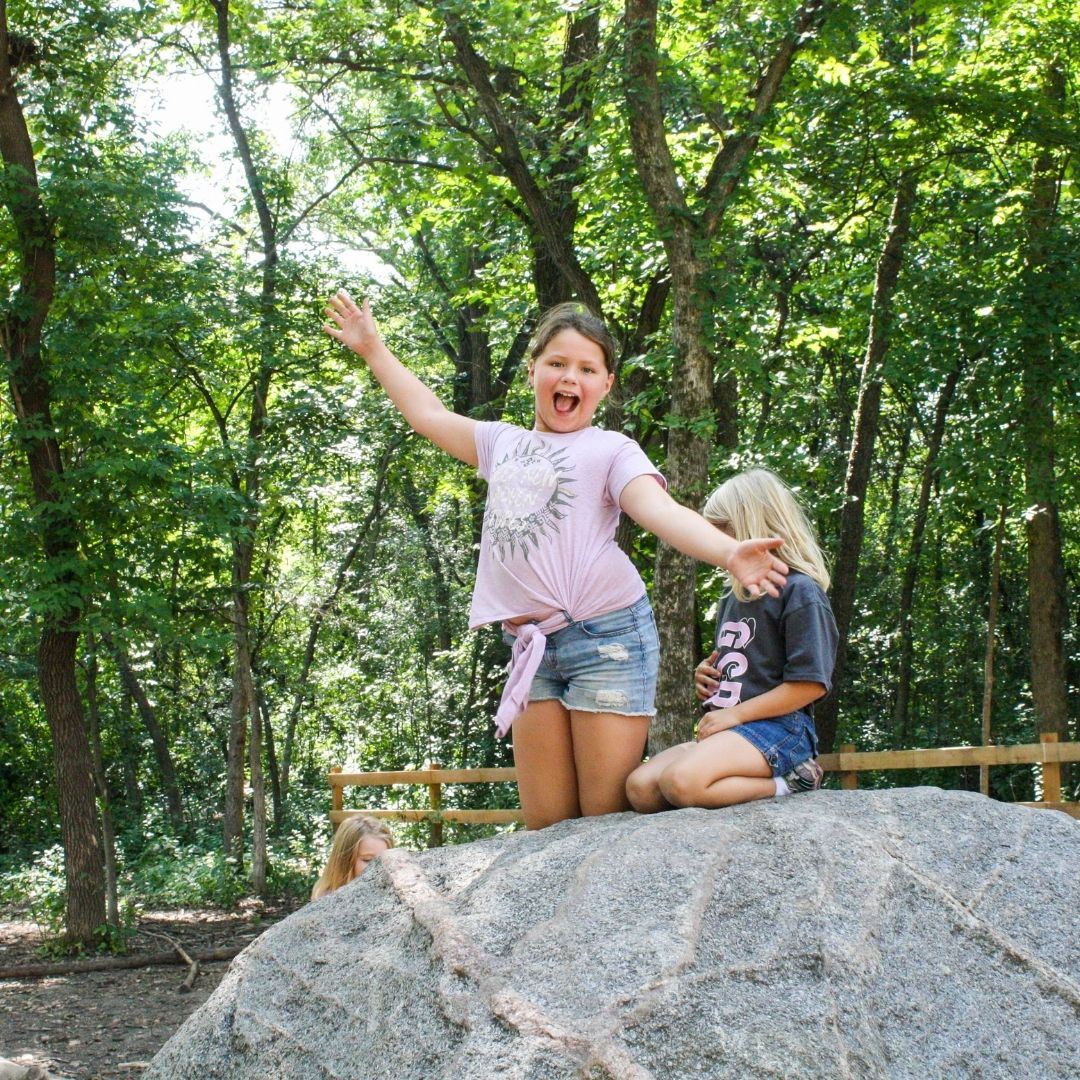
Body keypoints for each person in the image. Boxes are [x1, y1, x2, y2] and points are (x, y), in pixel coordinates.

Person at [323, 292, 788, 829]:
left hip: (606, 638)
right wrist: (373, 348)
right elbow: (427, 414)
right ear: (533, 372)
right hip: (531, 647)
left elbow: (656, 509)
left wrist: (727, 550)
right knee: (546, 825)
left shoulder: (612, 450)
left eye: (587, 368)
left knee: (601, 818)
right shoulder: (500, 443)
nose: (571, 377)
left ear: (606, 385)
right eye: (558, 363)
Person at [626, 469, 838, 812]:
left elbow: (810, 685)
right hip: (729, 730)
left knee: (682, 782)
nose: (715, 543)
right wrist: (707, 676)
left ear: (751, 528)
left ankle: (791, 781)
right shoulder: (733, 596)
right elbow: (743, 665)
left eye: (723, 531)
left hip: (778, 729)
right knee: (641, 789)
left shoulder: (801, 592)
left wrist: (735, 716)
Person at [311, 815, 394, 900]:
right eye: (368, 860)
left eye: (384, 859)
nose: (379, 867)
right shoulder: (325, 898)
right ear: (345, 860)